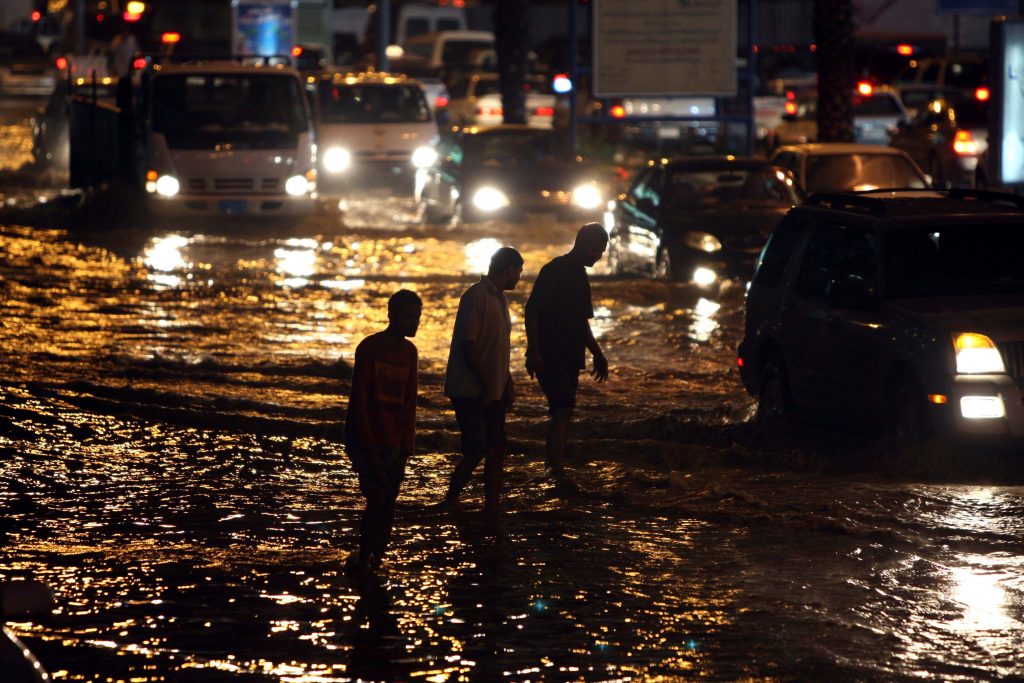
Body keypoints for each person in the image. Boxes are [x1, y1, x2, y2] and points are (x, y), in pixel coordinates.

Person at [343, 289, 422, 578]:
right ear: (391, 315)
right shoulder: (370, 348)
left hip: (394, 442)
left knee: (388, 503)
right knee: (376, 499)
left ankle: (375, 558)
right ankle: (364, 557)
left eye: (417, 317)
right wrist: (368, 446)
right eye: (408, 316)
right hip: (368, 439)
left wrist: (406, 447)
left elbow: (409, 404)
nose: (414, 323)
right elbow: (359, 402)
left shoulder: (410, 353)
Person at [440, 247, 524, 516]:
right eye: (518, 272)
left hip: (491, 389)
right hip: (470, 390)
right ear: (509, 269)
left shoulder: (499, 299)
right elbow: (469, 345)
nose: (519, 278)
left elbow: (498, 349)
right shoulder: (476, 296)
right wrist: (488, 383)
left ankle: (492, 505)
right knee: (476, 450)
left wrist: (505, 381)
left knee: (497, 449)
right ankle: (450, 500)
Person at [525, 223, 609, 479]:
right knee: (563, 409)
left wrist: (597, 353)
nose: (598, 255)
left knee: (563, 410)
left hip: (571, 354)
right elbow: (533, 310)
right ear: (582, 243)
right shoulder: (554, 270)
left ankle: (554, 464)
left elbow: (581, 321)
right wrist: (534, 349)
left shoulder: (580, 276)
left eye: (601, 251)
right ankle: (554, 467)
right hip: (551, 352)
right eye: (595, 249)